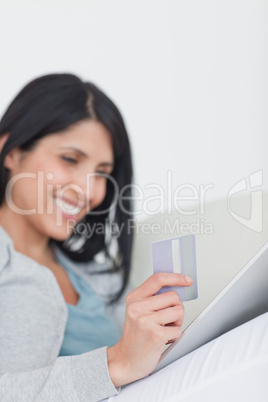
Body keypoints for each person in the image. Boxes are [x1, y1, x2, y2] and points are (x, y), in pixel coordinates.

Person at [0, 74, 267, 402]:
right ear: (10, 150)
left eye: (101, 173)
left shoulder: (96, 277)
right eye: (70, 159)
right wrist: (116, 362)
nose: (89, 190)